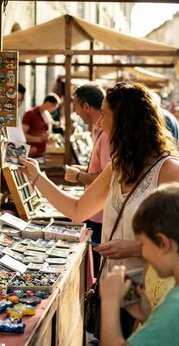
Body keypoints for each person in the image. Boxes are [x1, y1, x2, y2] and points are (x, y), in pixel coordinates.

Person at [20, 81, 179, 332]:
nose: (99, 123)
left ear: (125, 121)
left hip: (150, 297)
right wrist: (37, 177)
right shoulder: (117, 166)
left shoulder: (170, 171)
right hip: (116, 290)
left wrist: (134, 247)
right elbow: (78, 210)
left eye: (104, 114)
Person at [100, 183, 179, 345]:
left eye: (143, 244)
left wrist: (109, 301)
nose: (143, 252)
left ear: (163, 243)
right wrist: (149, 317)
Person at [64, 83, 110, 274]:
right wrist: (83, 170)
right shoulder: (98, 131)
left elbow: (108, 179)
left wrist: (79, 176)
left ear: (86, 106)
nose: (74, 111)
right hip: (96, 212)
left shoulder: (106, 134)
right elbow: (103, 171)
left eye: (75, 105)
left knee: (99, 270)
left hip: (100, 214)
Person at [22, 93, 60, 157]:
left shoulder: (46, 113)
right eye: (54, 106)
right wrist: (39, 139)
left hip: (43, 152)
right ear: (48, 103)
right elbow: (22, 134)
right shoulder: (30, 113)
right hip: (32, 152)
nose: (54, 110)